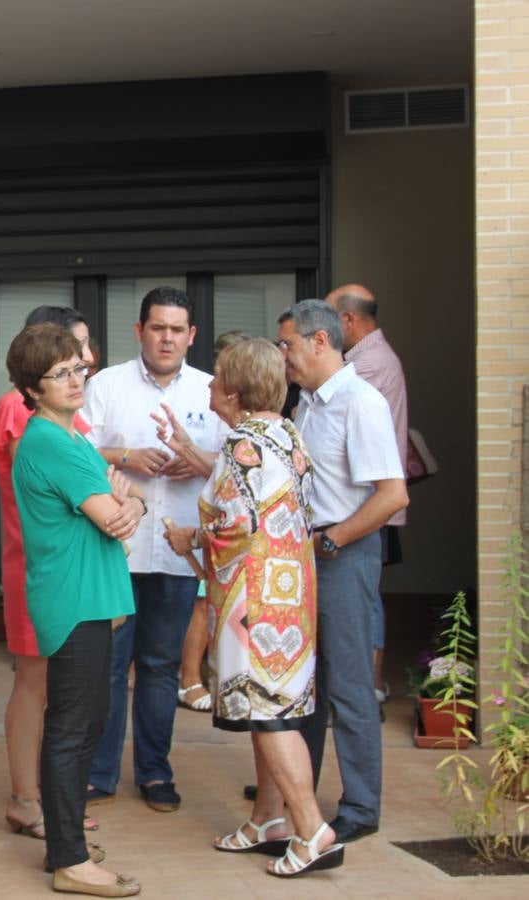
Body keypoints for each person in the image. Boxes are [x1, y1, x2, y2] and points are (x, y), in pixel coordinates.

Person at [162, 338, 341, 877]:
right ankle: (268, 820)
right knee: (274, 708)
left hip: (254, 603)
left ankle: (311, 829)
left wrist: (188, 536)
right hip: (290, 594)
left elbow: (234, 523)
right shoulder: (286, 433)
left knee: (269, 714)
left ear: (235, 390)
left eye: (216, 376)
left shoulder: (242, 442)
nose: (210, 385)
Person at [0, 306, 141, 839]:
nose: (84, 364)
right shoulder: (28, 418)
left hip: (75, 561)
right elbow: (81, 491)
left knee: (67, 698)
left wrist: (128, 500)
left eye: (83, 359)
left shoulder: (66, 424)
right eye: (72, 354)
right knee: (39, 686)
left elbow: (114, 493)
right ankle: (30, 797)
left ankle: (55, 798)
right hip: (46, 560)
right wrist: (123, 502)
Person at [83, 286, 226, 813]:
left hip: (177, 549)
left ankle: (155, 773)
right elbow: (76, 451)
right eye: (157, 327)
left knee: (163, 667)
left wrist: (201, 460)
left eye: (177, 330)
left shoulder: (212, 390)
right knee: (111, 667)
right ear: (139, 330)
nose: (166, 338)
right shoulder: (105, 384)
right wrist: (125, 456)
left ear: (192, 336)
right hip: (115, 546)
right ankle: (99, 773)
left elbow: (236, 464)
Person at [276, 299, 408, 845]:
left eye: (288, 344)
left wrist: (331, 540)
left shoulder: (361, 403)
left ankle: (360, 805)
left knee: (350, 686)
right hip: (306, 557)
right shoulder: (305, 402)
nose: (282, 354)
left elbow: (391, 496)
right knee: (306, 685)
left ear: (320, 342)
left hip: (342, 554)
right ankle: (299, 788)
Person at [325, 284, 410, 703]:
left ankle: (368, 686)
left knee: (367, 599)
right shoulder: (372, 357)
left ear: (347, 321)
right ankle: (366, 686)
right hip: (367, 504)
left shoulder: (366, 367)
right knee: (369, 597)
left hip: (368, 506)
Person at [159, 330, 251, 714]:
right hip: (212, 534)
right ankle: (190, 677)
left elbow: (238, 475)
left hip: (227, 543)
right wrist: (187, 452)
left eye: (220, 375)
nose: (210, 382)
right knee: (201, 606)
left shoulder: (257, 437)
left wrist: (192, 456)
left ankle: (216, 677)